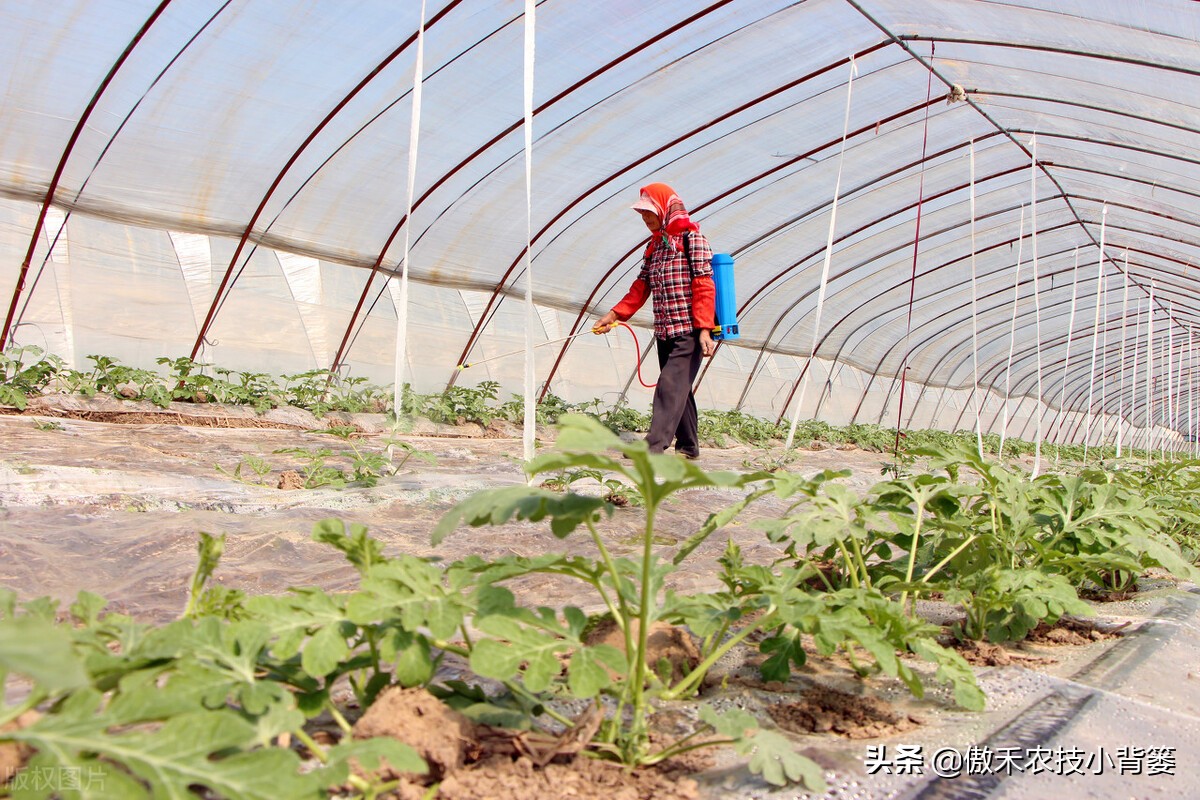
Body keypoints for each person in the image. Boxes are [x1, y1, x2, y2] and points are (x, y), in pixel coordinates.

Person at [593, 183, 716, 458]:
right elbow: (642, 285)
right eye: (642, 214)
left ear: (664, 209)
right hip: (665, 330)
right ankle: (689, 446)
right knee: (678, 387)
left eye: (649, 213)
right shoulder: (655, 246)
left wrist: (705, 330)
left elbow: (704, 284)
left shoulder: (692, 239)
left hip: (689, 330)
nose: (645, 219)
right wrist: (614, 315)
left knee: (670, 385)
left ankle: (653, 446)